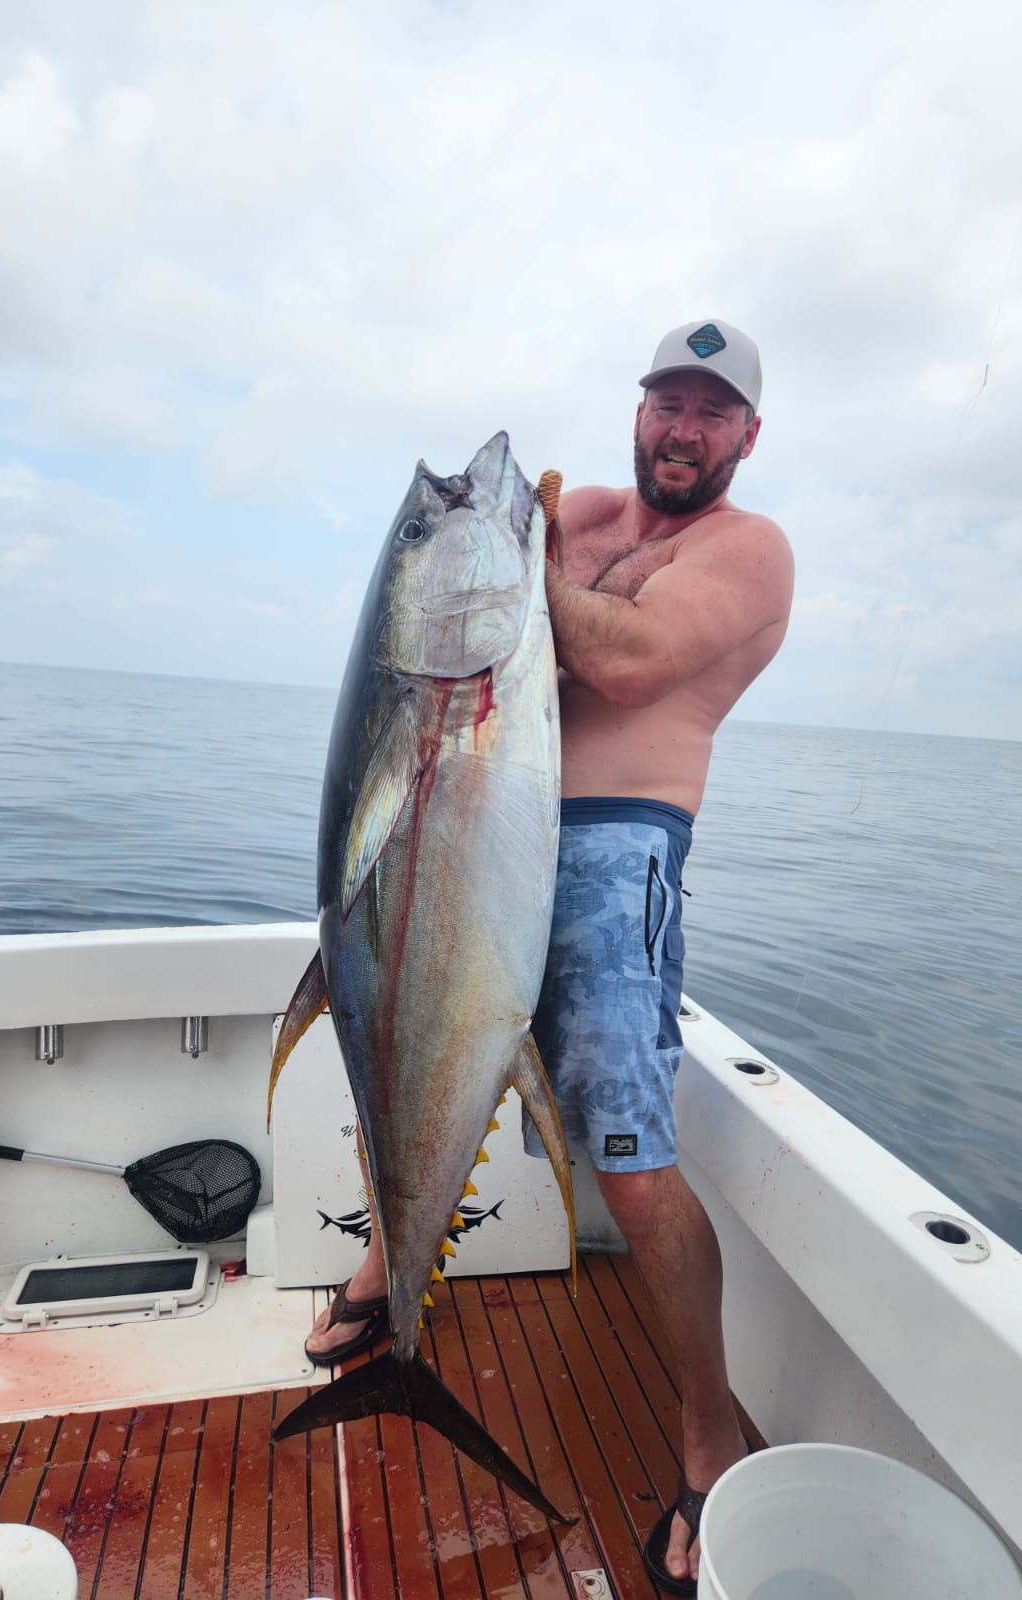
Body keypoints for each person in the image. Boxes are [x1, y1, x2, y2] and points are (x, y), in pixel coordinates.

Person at [304, 318, 794, 1592]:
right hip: (458, 837)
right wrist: (504, 545)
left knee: (628, 1163)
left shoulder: (746, 553)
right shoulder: (566, 524)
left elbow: (625, 661)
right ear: (638, 410)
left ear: (747, 434)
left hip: (610, 855)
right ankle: (392, 1270)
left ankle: (703, 1435)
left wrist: (510, 573)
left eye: (712, 411)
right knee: (408, 1039)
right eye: (666, 404)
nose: (683, 429)